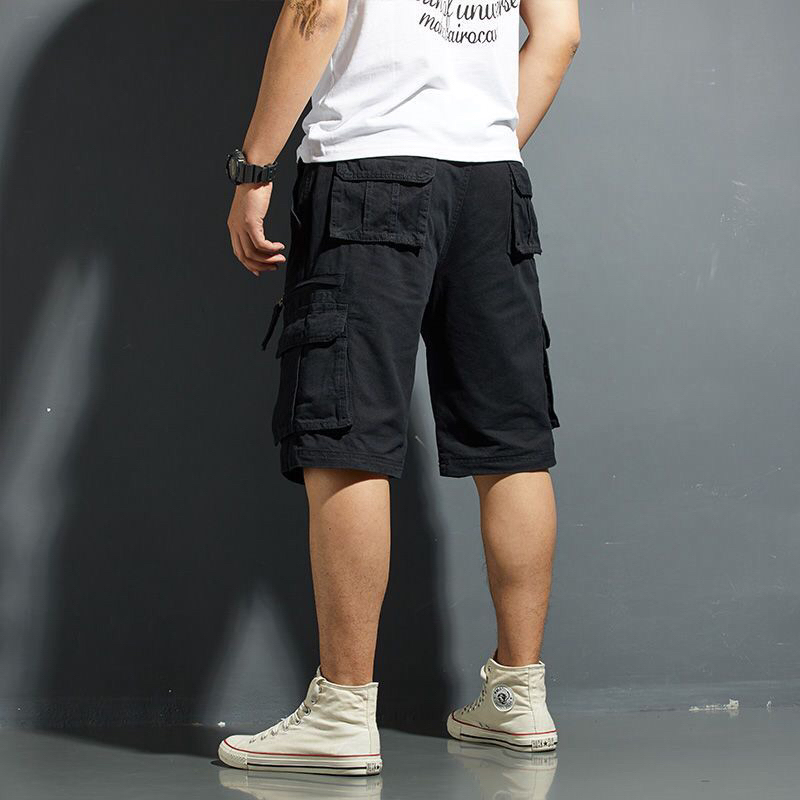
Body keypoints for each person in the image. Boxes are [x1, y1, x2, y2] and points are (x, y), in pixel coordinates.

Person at [219, 0, 580, 776]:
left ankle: (343, 713)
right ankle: (518, 696)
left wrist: (254, 168)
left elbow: (316, 10)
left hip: (367, 165)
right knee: (510, 441)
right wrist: (475, 140)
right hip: (490, 182)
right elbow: (559, 33)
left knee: (346, 434)